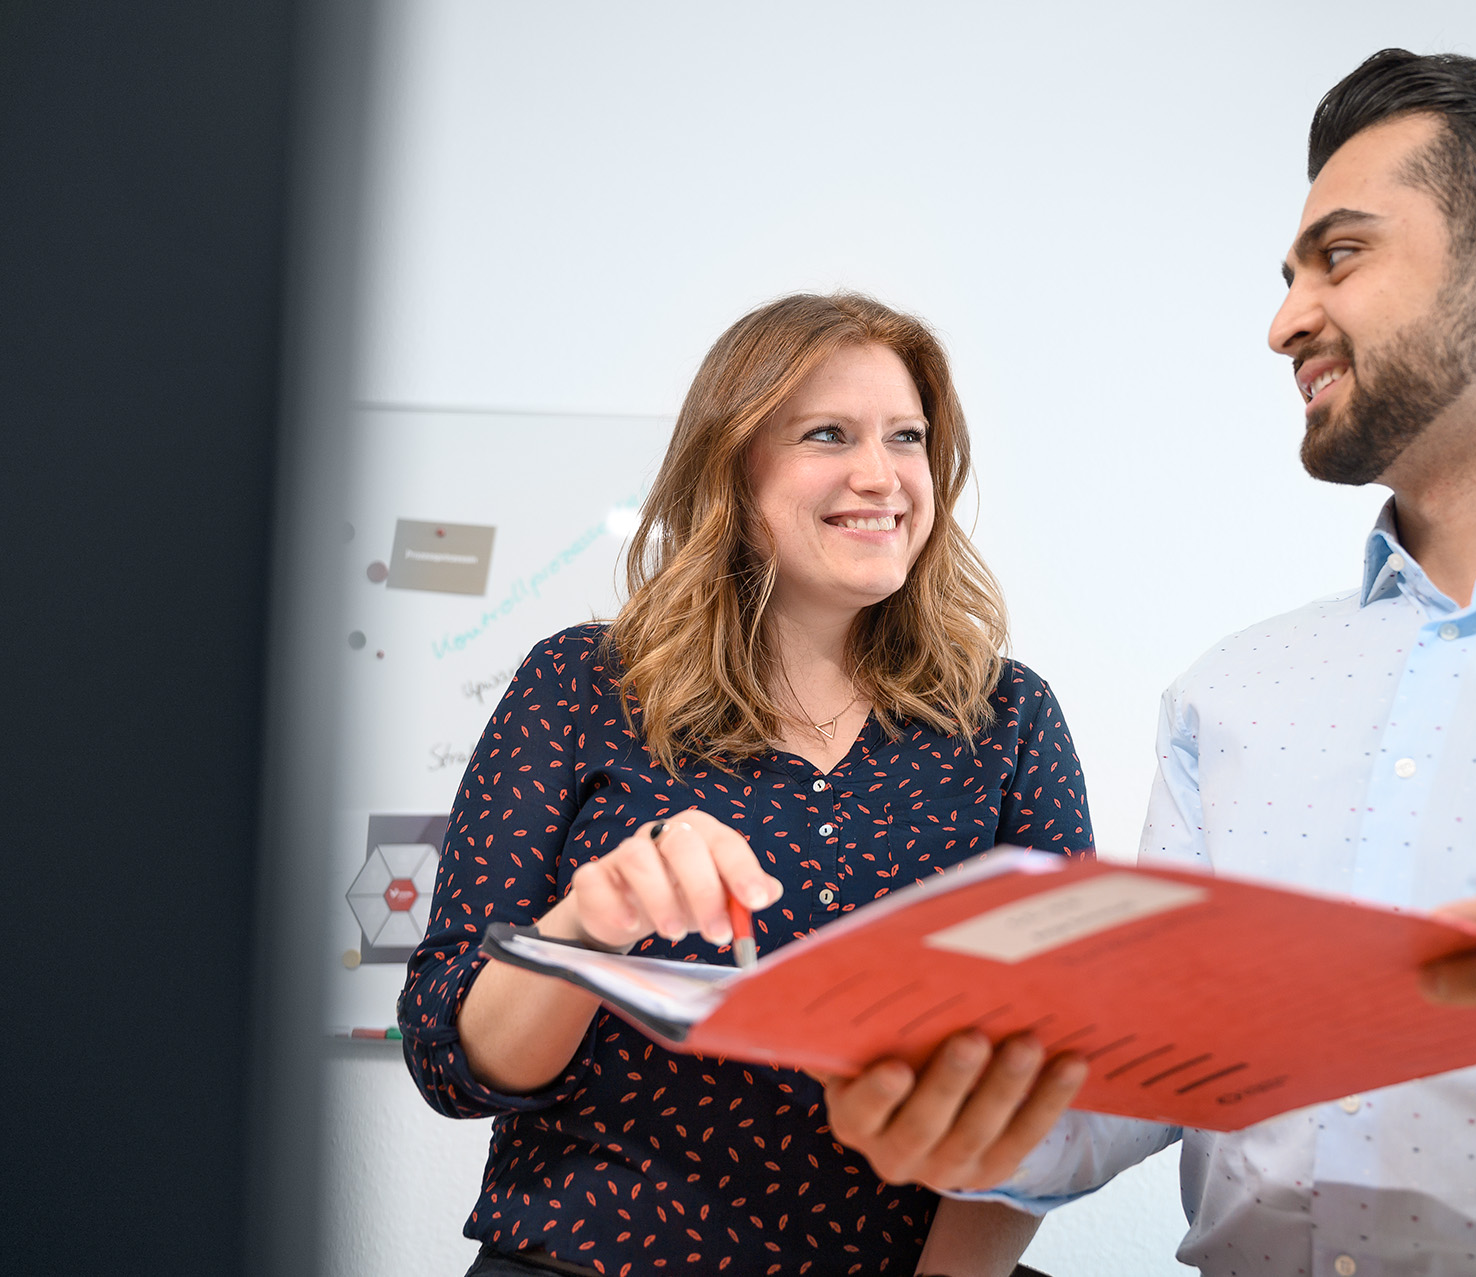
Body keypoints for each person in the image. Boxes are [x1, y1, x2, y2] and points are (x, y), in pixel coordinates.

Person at [813, 50, 1476, 1276]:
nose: (1285, 319)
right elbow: (1130, 1077)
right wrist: (955, 1109)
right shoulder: (1232, 693)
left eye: (1338, 256)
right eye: (1292, 272)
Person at [399, 292, 1093, 1277]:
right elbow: (451, 1058)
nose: (881, 474)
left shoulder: (1007, 720)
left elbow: (1055, 1075)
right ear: (732, 466)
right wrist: (588, 927)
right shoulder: (581, 685)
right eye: (828, 434)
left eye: (907, 437)